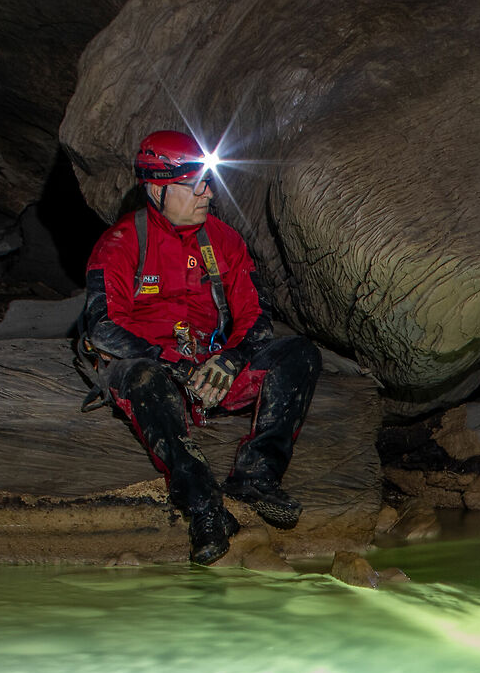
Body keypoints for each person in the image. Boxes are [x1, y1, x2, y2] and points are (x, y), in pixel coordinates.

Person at [77, 129, 321, 565]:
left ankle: (257, 475)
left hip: (211, 367)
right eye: (195, 185)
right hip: (152, 368)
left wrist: (230, 360)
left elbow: (256, 315)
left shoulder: (223, 240)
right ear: (157, 189)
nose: (207, 193)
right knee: (145, 378)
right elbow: (102, 326)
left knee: (300, 352)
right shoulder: (119, 245)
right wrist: (174, 364)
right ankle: (204, 507)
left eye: (208, 182)